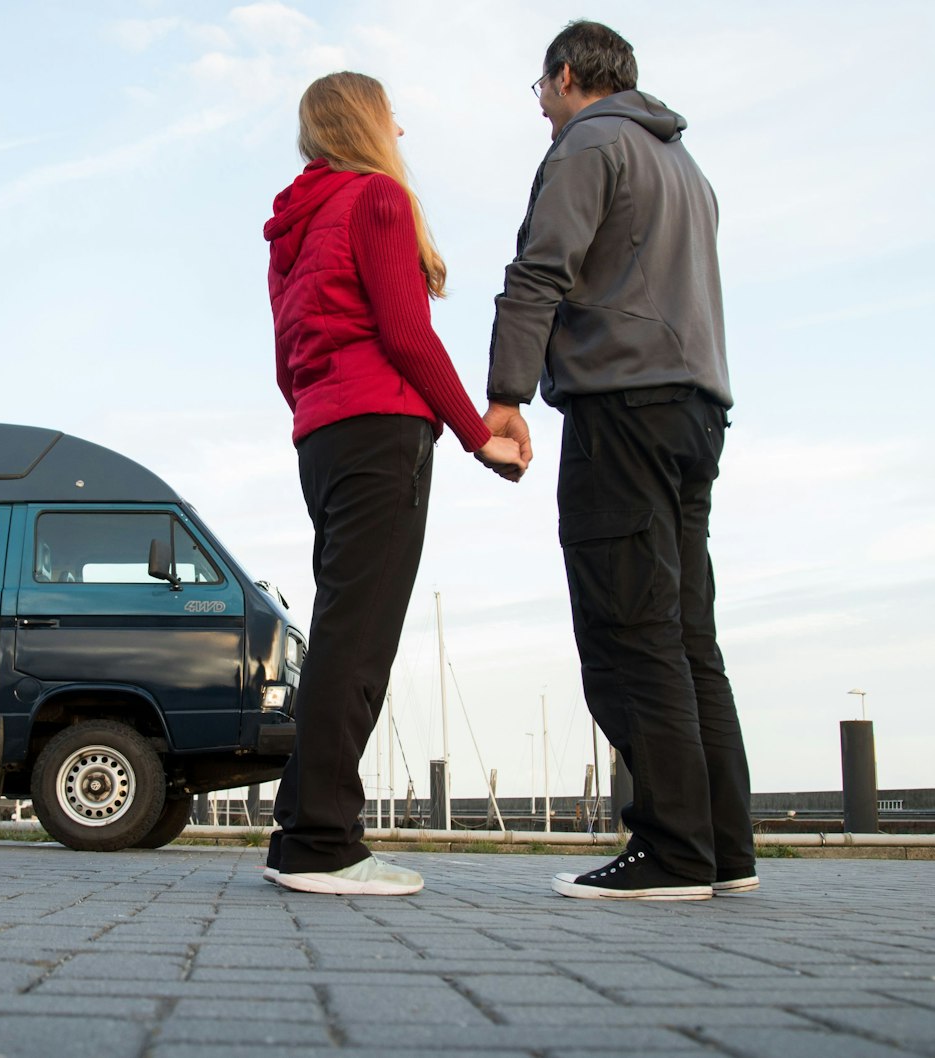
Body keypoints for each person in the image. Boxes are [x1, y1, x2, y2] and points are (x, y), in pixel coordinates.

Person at [485, 21, 751, 901]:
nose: (543, 109)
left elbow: (540, 272)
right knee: (686, 633)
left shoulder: (588, 145)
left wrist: (506, 395)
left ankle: (672, 855)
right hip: (696, 407)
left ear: (565, 76)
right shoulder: (685, 165)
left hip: (622, 409)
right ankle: (723, 849)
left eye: (540, 91)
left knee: (626, 630)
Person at [262, 71, 526, 896]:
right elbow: (410, 338)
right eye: (391, 117)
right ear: (366, 124)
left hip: (325, 434)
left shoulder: (291, 227)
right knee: (361, 637)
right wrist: (480, 436)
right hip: (381, 432)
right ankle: (321, 844)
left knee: (343, 630)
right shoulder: (375, 200)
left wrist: (319, 414)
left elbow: (284, 361)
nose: (402, 132)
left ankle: (304, 831)